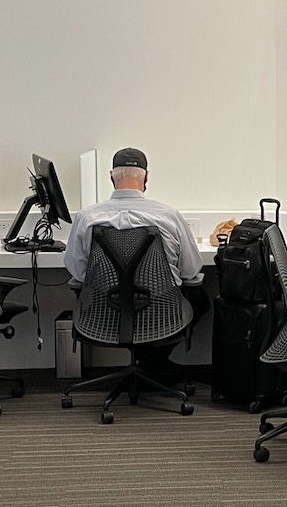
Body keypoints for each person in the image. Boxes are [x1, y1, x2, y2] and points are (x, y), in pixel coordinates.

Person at [64, 148, 209, 369]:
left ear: (111, 176)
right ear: (147, 177)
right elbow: (190, 271)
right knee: (198, 297)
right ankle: (152, 364)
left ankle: (148, 365)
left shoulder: (87, 218)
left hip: (105, 310)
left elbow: (77, 272)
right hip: (161, 312)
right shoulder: (169, 216)